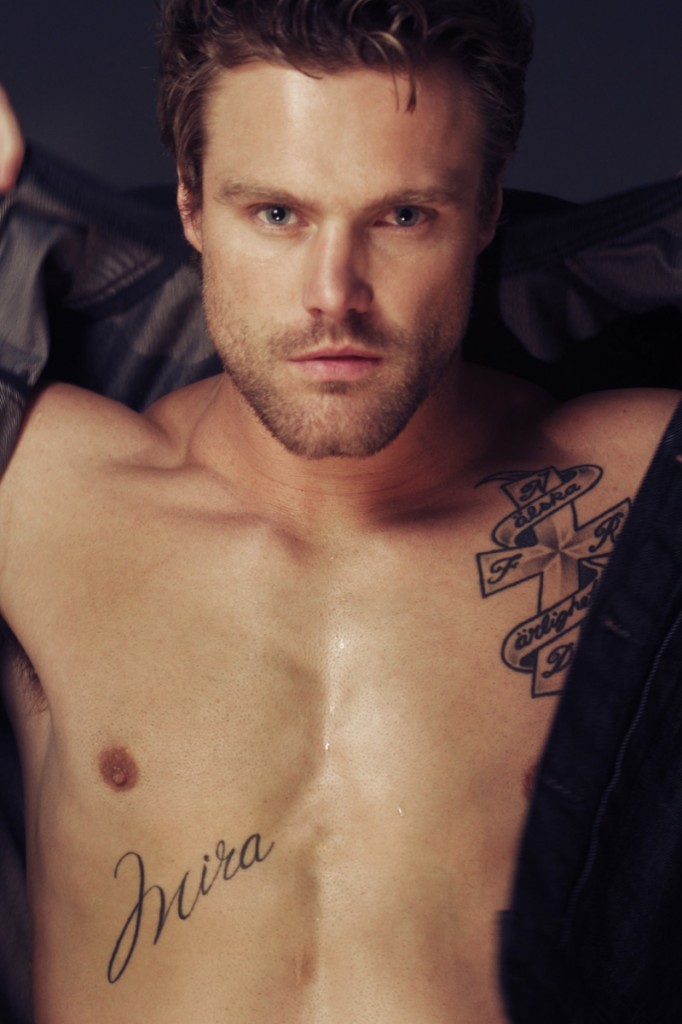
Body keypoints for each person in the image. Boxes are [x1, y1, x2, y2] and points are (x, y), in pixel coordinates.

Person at [0, 2, 680, 1022]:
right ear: (191, 205)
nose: (334, 294)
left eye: (402, 216)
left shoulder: (640, 487)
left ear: (486, 207)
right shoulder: (44, 491)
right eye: (277, 213)